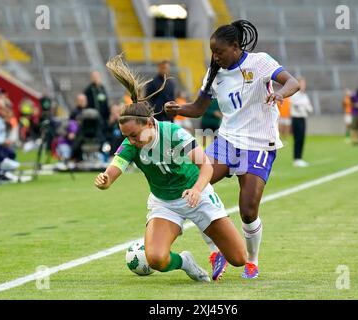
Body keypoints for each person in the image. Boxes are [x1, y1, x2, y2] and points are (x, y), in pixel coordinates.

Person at [165, 20, 300, 279]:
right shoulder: (214, 73)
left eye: (219, 52)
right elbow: (198, 108)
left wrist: (281, 94)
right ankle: (215, 250)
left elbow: (292, 82)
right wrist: (179, 109)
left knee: (248, 210)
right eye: (212, 52)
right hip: (228, 141)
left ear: (236, 47)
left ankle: (252, 261)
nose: (215, 57)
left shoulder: (260, 62)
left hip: (259, 143)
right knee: (193, 184)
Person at [95, 53, 247, 282]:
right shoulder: (130, 143)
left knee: (239, 258)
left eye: (134, 135)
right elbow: (114, 168)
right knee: (155, 258)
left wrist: (197, 190)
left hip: (197, 196)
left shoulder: (173, 133)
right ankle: (186, 262)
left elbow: (205, 166)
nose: (131, 141)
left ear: (149, 124)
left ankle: (216, 246)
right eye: (127, 137)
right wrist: (105, 179)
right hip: (165, 203)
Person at [290, 76, 313, 167]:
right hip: (296, 118)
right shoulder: (295, 94)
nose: (304, 85)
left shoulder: (304, 95)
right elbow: (297, 106)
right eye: (302, 83)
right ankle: (296, 159)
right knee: (298, 139)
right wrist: (304, 106)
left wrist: (305, 107)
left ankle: (300, 158)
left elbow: (309, 107)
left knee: (302, 139)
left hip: (303, 118)